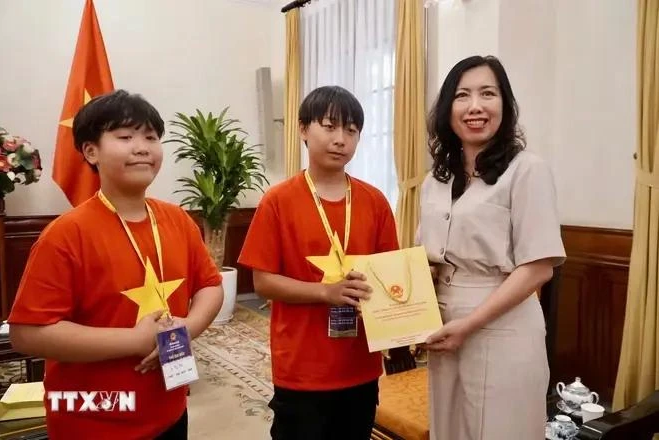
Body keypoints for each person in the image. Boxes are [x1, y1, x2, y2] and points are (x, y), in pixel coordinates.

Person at [8, 90, 224, 440]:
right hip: (93, 419)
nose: (142, 147)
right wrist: (134, 340)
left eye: (151, 137)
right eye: (125, 137)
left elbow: (210, 286)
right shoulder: (65, 234)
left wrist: (188, 326)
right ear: (90, 151)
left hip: (168, 408)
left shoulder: (177, 220)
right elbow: (28, 333)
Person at [416, 55, 566, 439]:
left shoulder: (527, 170)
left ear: (505, 104)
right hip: (445, 323)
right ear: (448, 108)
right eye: (462, 95)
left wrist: (470, 324)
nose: (475, 106)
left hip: (505, 326)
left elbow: (538, 268)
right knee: (450, 429)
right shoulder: (436, 178)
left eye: (488, 93)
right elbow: (426, 258)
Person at [238, 85, 399, 440]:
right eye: (329, 126)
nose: (340, 139)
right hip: (301, 366)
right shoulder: (277, 201)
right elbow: (263, 282)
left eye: (351, 130)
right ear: (303, 130)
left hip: (360, 365)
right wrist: (326, 292)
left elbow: (390, 276)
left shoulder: (375, 202)